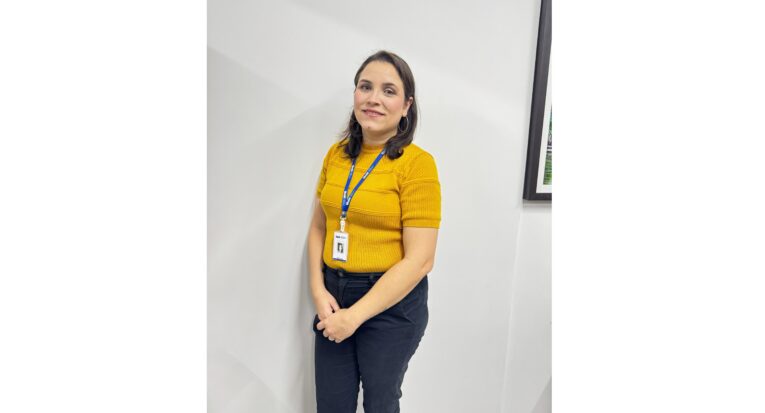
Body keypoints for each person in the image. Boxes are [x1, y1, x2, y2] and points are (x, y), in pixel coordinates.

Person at [308, 50, 441, 413]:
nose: (373, 98)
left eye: (388, 90)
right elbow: (319, 226)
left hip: (391, 304)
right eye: (365, 87)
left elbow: (421, 260)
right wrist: (319, 290)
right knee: (332, 405)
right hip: (334, 294)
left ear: (407, 105)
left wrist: (354, 316)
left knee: (380, 404)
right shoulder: (337, 155)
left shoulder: (418, 164)